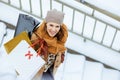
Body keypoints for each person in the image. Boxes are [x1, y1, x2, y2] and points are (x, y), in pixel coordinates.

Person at [31, 9, 68, 80]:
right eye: (51, 25)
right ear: (46, 24)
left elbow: (61, 51)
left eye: (57, 26)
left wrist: (60, 56)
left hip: (48, 74)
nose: (54, 30)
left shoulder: (61, 38)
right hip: (33, 75)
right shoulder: (36, 37)